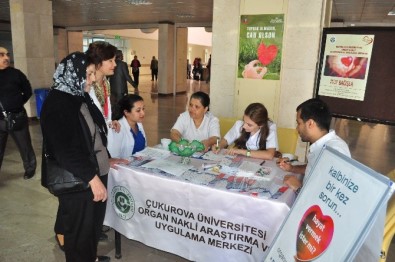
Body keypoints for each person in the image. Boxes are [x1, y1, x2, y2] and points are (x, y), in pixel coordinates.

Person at [40, 52, 128, 262]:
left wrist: (106, 158)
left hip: (91, 170)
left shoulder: (78, 95)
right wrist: (92, 178)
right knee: (79, 232)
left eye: (91, 74)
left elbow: (94, 133)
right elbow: (65, 150)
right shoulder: (58, 103)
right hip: (78, 179)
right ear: (72, 74)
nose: (91, 79)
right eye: (87, 75)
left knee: (91, 227)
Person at [278, 98, 351, 194]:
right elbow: (314, 167)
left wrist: (298, 187)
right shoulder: (321, 145)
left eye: (299, 123)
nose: (297, 129)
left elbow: (330, 195)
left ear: (310, 123)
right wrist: (292, 168)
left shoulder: (335, 151)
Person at [0, 46, 36, 179]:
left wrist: (16, 103)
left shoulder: (16, 74)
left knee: (25, 146)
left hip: (17, 117)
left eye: (7, 54)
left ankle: (30, 169)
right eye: (1, 55)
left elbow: (27, 90)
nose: (6, 58)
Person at [211, 103, 278, 160]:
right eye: (244, 121)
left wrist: (241, 151)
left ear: (261, 125)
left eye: (249, 125)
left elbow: (269, 155)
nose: (244, 126)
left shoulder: (270, 129)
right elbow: (226, 140)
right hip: (242, 162)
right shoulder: (239, 125)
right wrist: (219, 145)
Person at [86, 41, 117, 125]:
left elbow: (104, 114)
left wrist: (110, 122)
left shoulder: (105, 83)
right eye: (110, 61)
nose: (115, 64)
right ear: (98, 62)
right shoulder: (87, 87)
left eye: (114, 60)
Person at [107, 94, 146, 158]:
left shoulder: (139, 124)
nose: (143, 113)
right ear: (126, 112)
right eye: (138, 110)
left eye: (143, 109)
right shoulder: (118, 129)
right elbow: (114, 157)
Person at [109, 50, 137, 119]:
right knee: (121, 105)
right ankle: (120, 119)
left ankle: (114, 118)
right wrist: (134, 85)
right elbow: (127, 76)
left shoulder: (112, 63)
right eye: (122, 54)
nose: (123, 56)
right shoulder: (123, 64)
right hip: (121, 89)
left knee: (114, 105)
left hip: (112, 88)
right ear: (119, 55)